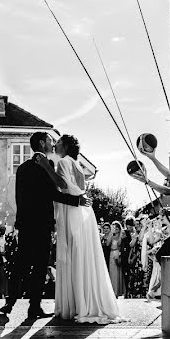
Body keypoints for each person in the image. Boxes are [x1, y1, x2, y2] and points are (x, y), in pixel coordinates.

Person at [0, 132, 92, 318]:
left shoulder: (23, 168)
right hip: (41, 223)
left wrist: (20, 220)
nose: (52, 143)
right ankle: (34, 307)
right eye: (50, 141)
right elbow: (53, 194)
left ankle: (9, 303)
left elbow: (19, 197)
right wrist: (76, 202)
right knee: (40, 266)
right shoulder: (46, 165)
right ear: (42, 143)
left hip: (25, 223)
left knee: (21, 264)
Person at [35, 134, 125, 323]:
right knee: (84, 255)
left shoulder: (63, 163)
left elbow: (61, 185)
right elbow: (79, 188)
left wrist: (45, 166)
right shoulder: (77, 165)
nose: (56, 145)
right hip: (84, 212)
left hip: (71, 211)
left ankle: (76, 305)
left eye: (58, 142)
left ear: (65, 147)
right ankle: (85, 301)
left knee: (73, 255)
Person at [107, 221, 125, 297]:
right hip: (112, 254)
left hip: (118, 254)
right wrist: (111, 233)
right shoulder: (112, 236)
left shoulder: (122, 236)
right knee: (112, 273)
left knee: (119, 273)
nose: (115, 229)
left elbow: (121, 245)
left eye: (116, 228)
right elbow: (108, 244)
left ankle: (118, 291)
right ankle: (112, 291)